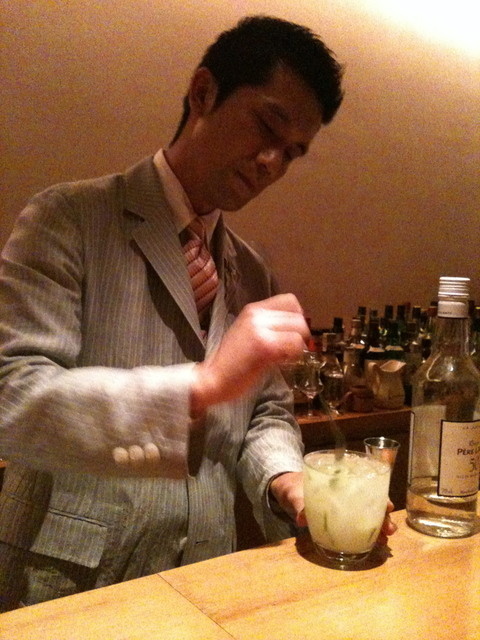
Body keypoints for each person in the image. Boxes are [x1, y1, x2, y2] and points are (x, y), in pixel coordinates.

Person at [0, 15, 395, 610]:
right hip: (68, 584)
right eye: (267, 125)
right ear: (204, 92)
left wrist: (289, 479)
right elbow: (14, 398)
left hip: (207, 579)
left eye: (292, 153)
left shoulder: (250, 269)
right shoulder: (68, 218)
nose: (272, 162)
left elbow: (265, 413)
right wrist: (201, 385)